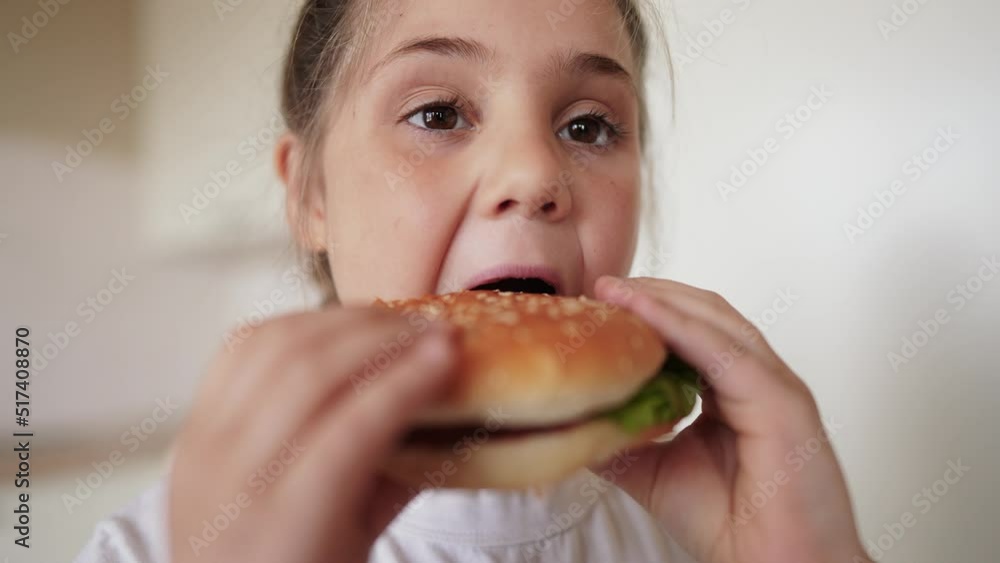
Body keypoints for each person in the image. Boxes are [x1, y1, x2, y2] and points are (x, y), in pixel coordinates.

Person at [74, 0, 871, 561]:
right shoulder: (154, 549)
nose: (533, 174)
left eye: (588, 125)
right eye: (438, 114)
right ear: (310, 196)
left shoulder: (711, 530)